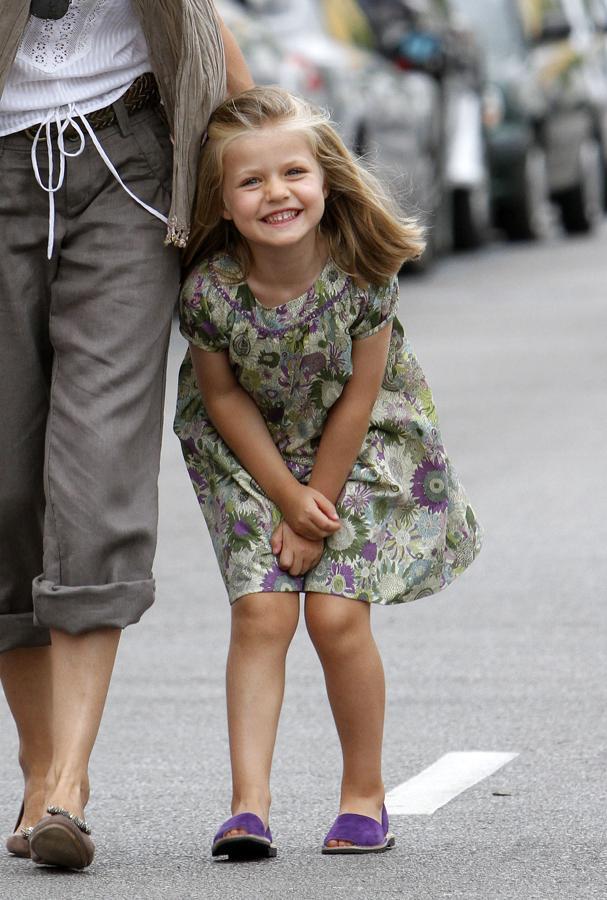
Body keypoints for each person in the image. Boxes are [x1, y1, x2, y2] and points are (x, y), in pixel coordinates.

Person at [174, 85, 482, 859]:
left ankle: (362, 797)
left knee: (336, 617)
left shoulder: (361, 273)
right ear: (222, 201)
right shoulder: (210, 291)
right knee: (262, 613)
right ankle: (247, 807)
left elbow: (361, 395)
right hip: (247, 452)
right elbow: (221, 397)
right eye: (251, 181)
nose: (276, 193)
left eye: (293, 174)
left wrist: (315, 505)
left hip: (358, 446)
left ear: (324, 179)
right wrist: (284, 496)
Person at [0, 0, 252, 870]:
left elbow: (198, 16)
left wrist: (263, 137)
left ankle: (66, 784)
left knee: (99, 468)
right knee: (6, 492)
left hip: (129, 164)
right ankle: (37, 764)